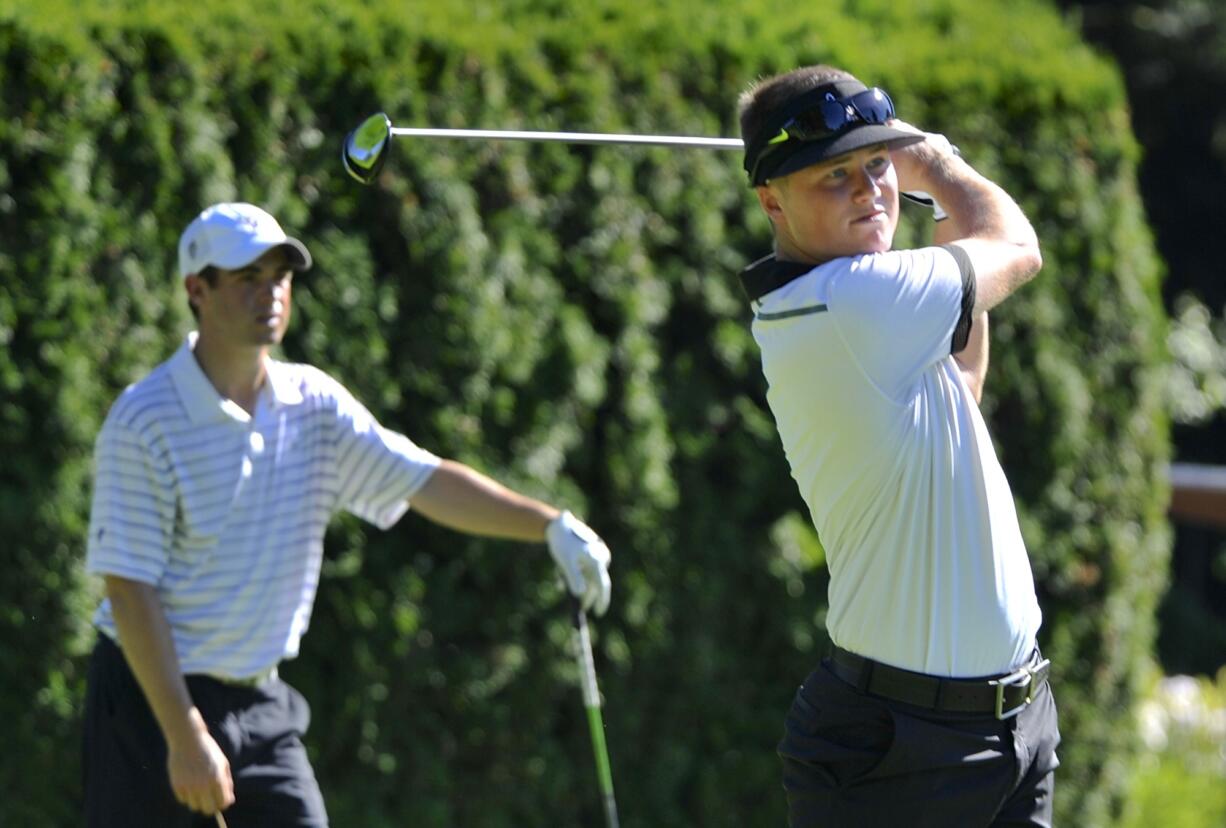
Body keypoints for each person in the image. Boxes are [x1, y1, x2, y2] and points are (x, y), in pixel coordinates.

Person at [82, 202, 614, 827]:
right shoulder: (145, 419)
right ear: (196, 290)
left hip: (257, 699)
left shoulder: (313, 404)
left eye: (279, 275)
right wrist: (183, 734)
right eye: (247, 278)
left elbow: (424, 480)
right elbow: (129, 586)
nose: (271, 293)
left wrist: (549, 525)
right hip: (149, 703)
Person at [736, 65, 1060, 826]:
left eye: (877, 165)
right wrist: (936, 163)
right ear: (772, 201)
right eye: (835, 175)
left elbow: (963, 386)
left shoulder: (861, 299)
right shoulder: (851, 301)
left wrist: (933, 211)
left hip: (1011, 725)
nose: (870, 190)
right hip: (901, 751)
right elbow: (1016, 246)